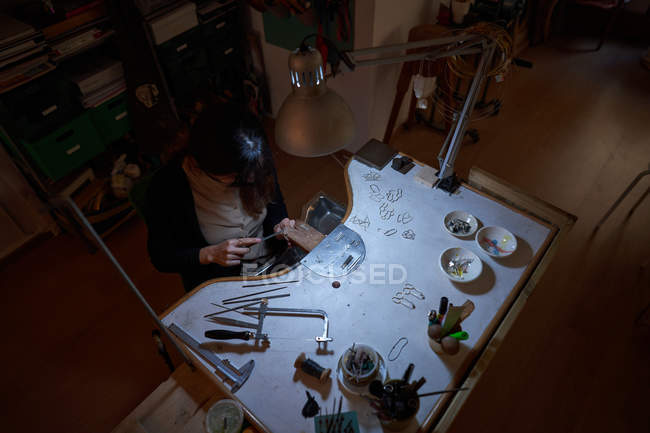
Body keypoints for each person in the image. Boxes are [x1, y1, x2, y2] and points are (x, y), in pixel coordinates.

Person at [146, 103, 294, 291]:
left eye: (254, 171)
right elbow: (161, 257)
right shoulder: (168, 187)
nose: (251, 178)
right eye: (236, 176)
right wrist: (209, 254)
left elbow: (275, 203)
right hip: (222, 281)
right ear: (205, 164)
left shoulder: (254, 159)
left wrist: (280, 224)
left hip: (273, 261)